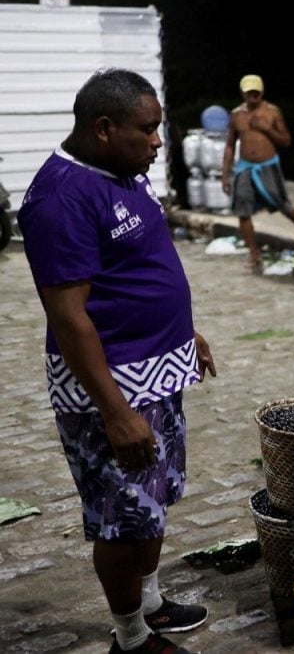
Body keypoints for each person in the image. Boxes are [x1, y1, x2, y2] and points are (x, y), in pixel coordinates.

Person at [17, 69, 218, 654]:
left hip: (160, 365)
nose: (159, 142)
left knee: (154, 501)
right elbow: (69, 316)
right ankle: (129, 637)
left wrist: (185, 331)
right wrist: (114, 412)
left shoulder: (127, 173)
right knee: (122, 515)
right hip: (115, 386)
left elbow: (139, 265)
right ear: (103, 129)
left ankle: (150, 601)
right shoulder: (60, 199)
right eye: (148, 129)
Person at [221, 74, 294, 269]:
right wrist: (225, 175)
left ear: (261, 92)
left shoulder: (272, 112)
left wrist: (266, 129)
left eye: (256, 92)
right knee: (242, 210)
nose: (253, 96)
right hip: (245, 166)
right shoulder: (237, 115)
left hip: (268, 165)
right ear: (243, 93)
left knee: (283, 205)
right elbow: (230, 145)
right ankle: (254, 253)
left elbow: (286, 141)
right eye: (249, 92)